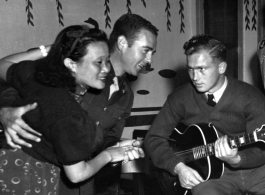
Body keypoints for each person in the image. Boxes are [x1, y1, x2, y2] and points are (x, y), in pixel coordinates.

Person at [0, 13, 158, 195]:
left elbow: (107, 140)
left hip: (82, 180)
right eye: (145, 50)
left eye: (152, 53)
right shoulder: (79, 72)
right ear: (122, 43)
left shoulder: (126, 95)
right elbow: (20, 88)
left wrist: (119, 150)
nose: (149, 61)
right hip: (38, 173)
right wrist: (4, 111)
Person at [144, 34, 265, 195]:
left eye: (201, 69)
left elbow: (262, 151)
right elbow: (153, 138)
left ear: (221, 67)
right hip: (210, 176)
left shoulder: (251, 97)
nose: (195, 77)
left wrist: (236, 159)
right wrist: (178, 167)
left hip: (257, 171)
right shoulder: (180, 97)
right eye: (191, 69)